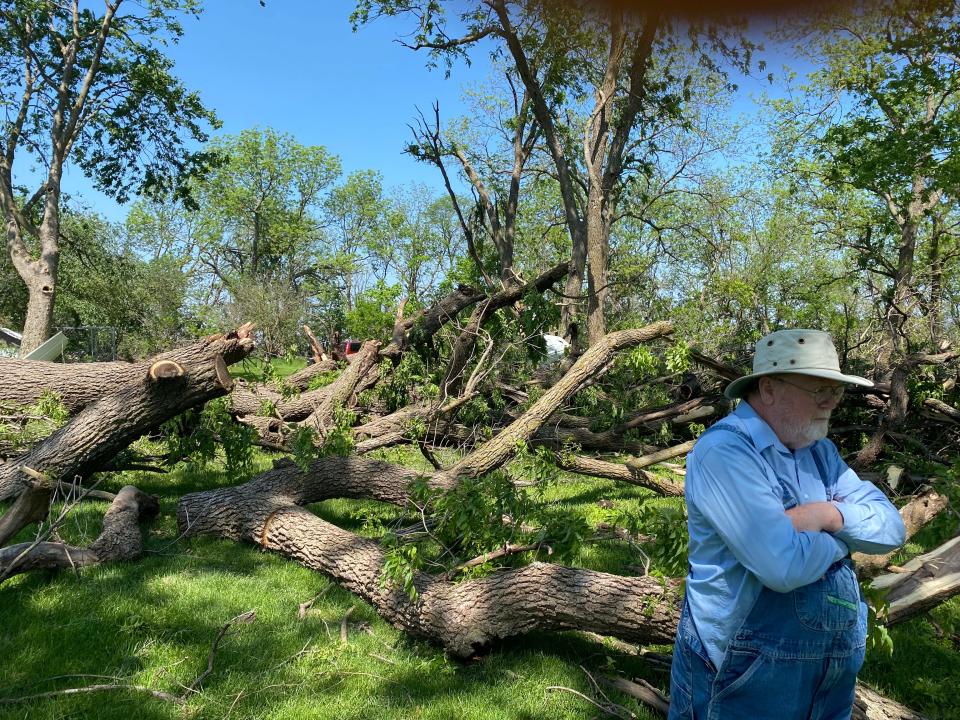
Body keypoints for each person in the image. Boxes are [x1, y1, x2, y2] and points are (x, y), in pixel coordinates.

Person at [668, 329, 906, 719]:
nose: (832, 401)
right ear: (769, 388)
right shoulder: (725, 452)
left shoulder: (820, 451)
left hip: (825, 678)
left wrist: (824, 516)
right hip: (742, 677)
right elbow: (783, 566)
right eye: (819, 389)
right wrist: (846, 540)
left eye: (837, 390)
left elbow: (892, 529)